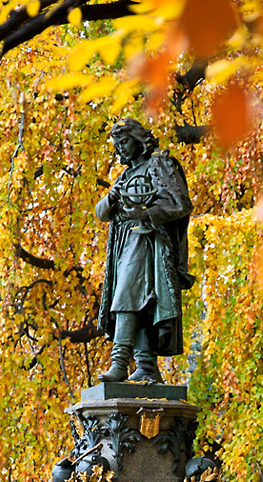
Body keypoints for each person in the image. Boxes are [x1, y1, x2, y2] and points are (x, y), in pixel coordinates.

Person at [95, 119, 195, 384]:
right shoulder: (124, 177)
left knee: (127, 296)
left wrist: (145, 214)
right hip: (125, 244)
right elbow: (101, 214)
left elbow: (180, 203)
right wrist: (111, 197)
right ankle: (146, 366)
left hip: (148, 242)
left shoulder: (158, 164)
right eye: (117, 147)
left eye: (124, 143)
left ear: (139, 140)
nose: (121, 151)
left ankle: (119, 362)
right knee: (140, 303)